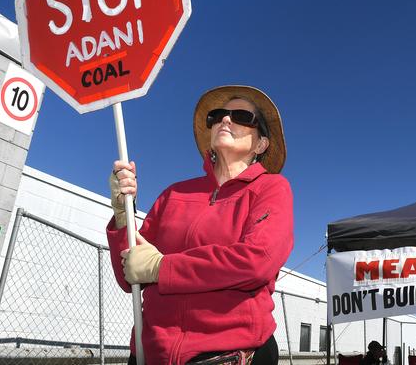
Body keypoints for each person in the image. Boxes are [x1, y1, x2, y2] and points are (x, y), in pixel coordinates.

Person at [107, 85, 293, 365]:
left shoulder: (272, 188)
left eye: (242, 116)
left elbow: (256, 262)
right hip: (151, 354)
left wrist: (162, 268)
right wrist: (123, 215)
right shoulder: (175, 193)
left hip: (232, 356)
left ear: (260, 145)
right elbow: (128, 275)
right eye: (219, 115)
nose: (226, 120)